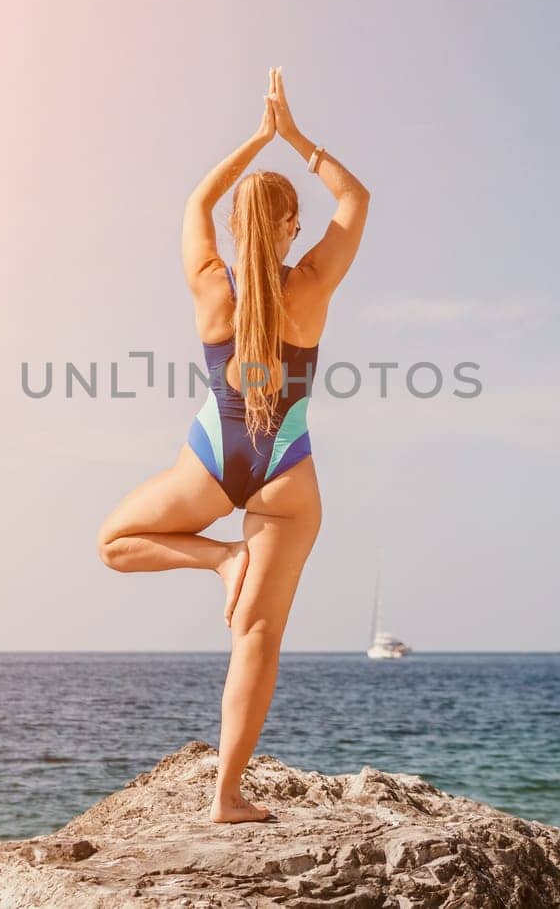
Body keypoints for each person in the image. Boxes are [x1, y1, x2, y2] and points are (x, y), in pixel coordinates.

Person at [97, 66, 371, 823]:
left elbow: (196, 201)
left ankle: (219, 559)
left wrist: (253, 141)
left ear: (235, 227)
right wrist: (293, 137)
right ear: (287, 229)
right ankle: (226, 796)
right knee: (258, 634)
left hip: (213, 464)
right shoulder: (310, 283)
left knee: (115, 540)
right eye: (292, 221)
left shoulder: (210, 283)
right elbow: (356, 200)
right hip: (286, 475)